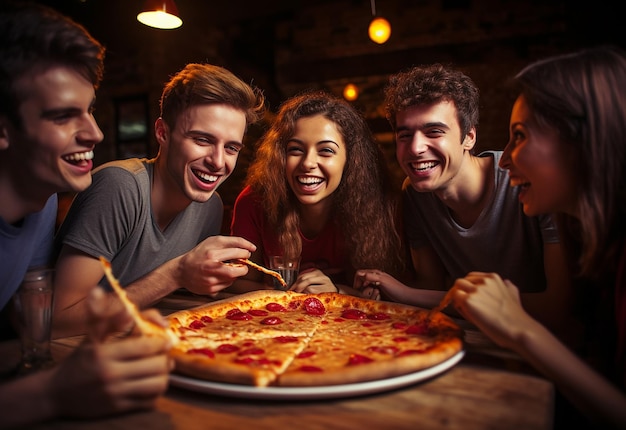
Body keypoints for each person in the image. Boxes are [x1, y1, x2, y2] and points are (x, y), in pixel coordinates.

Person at [0, 2, 171, 427]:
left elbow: (23, 321)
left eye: (90, 109)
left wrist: (105, 313)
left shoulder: (39, 204)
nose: (95, 133)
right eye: (63, 116)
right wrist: (52, 394)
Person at [450, 46, 626, 429]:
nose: (505, 158)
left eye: (519, 136)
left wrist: (520, 328)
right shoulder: (588, 237)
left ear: (584, 138)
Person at [355, 64, 574, 339]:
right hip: (473, 338)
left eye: (434, 131)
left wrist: (405, 293)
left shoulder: (527, 181)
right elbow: (430, 286)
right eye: (405, 135)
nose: (415, 148)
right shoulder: (416, 194)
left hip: (553, 345)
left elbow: (559, 308)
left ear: (469, 136)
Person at [52, 62, 266, 337]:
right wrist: (177, 273)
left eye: (231, 148)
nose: (218, 162)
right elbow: (55, 320)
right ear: (163, 133)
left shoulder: (210, 205)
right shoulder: (119, 186)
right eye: (202, 140)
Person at [229, 90, 403, 295]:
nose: (308, 163)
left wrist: (337, 291)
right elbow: (237, 282)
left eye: (326, 151)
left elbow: (387, 293)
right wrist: (293, 294)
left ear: (351, 160)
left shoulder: (379, 205)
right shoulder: (254, 201)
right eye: (295, 149)